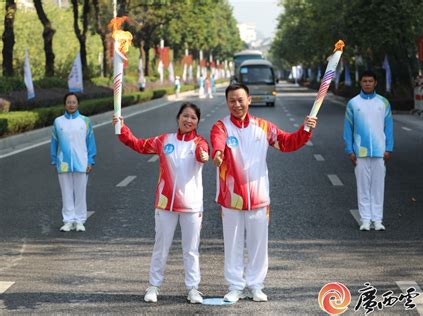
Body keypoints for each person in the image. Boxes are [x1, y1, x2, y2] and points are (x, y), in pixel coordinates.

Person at [210, 83, 317, 303]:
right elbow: (217, 142)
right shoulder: (221, 127)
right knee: (233, 243)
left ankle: (256, 285)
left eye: (240, 100)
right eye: (232, 101)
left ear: (249, 100)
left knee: (259, 243)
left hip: (259, 197)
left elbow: (287, 143)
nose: (237, 105)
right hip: (231, 198)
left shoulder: (264, 127)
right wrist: (219, 153)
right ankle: (235, 286)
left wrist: (305, 129)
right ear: (227, 102)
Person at [113, 103, 210, 304]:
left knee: (190, 249)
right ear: (178, 118)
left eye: (193, 118)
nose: (188, 120)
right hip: (165, 204)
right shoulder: (165, 140)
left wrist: (203, 155)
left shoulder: (200, 143)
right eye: (185, 116)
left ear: (197, 122)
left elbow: (204, 154)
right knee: (161, 246)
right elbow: (139, 145)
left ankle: (193, 288)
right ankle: (154, 286)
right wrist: (122, 129)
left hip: (191, 205)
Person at [343, 70, 394, 231]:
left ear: (375, 83)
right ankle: (365, 219)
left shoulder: (383, 103)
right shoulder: (353, 103)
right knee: (363, 186)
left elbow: (389, 128)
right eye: (364, 81)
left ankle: (378, 220)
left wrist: (389, 148)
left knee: (378, 187)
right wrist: (349, 150)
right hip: (360, 153)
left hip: (380, 152)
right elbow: (347, 129)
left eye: (370, 81)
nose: (367, 84)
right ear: (361, 83)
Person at [50, 92, 96, 232]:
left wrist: (90, 160)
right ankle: (68, 220)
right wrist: (54, 159)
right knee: (66, 192)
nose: (71, 104)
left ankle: (80, 220)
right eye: (69, 102)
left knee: (81, 192)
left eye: (74, 102)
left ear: (78, 104)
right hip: (63, 163)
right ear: (65, 104)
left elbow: (90, 143)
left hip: (81, 162)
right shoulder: (58, 122)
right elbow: (54, 142)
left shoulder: (85, 121)